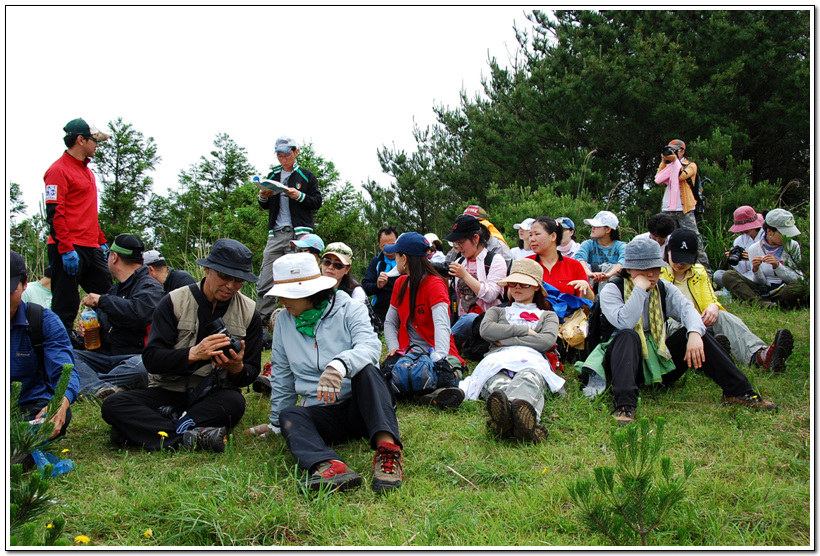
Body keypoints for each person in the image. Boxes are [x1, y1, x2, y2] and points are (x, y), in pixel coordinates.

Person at [578, 236, 778, 425]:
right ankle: (624, 404)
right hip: (622, 364)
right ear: (629, 269)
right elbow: (625, 322)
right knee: (628, 335)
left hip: (657, 358)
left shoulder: (663, 287)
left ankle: (738, 391)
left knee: (698, 333)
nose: (651, 274)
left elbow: (687, 309)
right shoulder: (612, 289)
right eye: (643, 269)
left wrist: (693, 334)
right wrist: (639, 290)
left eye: (655, 268)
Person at [247, 253, 403, 494]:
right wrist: (277, 423)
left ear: (308, 292)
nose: (281, 299)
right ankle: (329, 465)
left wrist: (339, 364)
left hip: (363, 407)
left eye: (287, 294)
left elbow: (370, 347)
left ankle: (387, 454)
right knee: (289, 415)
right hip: (322, 412)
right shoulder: (285, 323)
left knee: (368, 372)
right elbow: (282, 375)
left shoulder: (349, 308)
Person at [101, 239, 263, 452]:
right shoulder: (173, 301)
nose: (231, 286)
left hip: (214, 394)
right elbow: (152, 360)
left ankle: (156, 431)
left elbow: (250, 372)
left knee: (234, 403)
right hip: (168, 391)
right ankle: (189, 436)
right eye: (224, 277)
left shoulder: (250, 312)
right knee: (113, 405)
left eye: (239, 280)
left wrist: (236, 368)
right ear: (208, 269)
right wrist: (193, 354)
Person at [460, 258, 565, 443]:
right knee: (498, 385)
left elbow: (546, 340)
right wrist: (523, 330)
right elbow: (486, 331)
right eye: (512, 283)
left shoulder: (548, 315)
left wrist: (507, 339)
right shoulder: (497, 311)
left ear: (536, 288)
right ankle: (525, 426)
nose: (517, 287)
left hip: (532, 363)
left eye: (524, 284)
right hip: (497, 362)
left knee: (529, 379)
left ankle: (505, 422)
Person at [661, 228, 794, 372]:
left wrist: (713, 306)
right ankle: (711, 354)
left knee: (723, 316)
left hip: (700, 319)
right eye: (676, 257)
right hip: (673, 324)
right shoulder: (658, 273)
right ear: (667, 251)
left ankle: (760, 356)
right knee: (677, 324)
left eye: (685, 259)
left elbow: (709, 298)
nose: (680, 263)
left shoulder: (698, 271)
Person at [73, 234, 164, 399]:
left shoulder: (150, 286)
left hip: (133, 358)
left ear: (114, 257)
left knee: (142, 368)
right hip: (103, 357)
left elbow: (140, 314)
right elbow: (107, 324)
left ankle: (89, 384)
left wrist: (102, 300)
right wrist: (90, 328)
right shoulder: (114, 290)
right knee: (64, 356)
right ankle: (103, 387)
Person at [44, 118, 113, 334]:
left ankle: (109, 345)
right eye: (94, 140)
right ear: (81, 140)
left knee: (109, 298)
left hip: (90, 246)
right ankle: (60, 356)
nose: (97, 145)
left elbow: (88, 213)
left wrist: (101, 241)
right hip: (68, 247)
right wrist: (65, 247)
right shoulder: (57, 170)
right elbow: (55, 213)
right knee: (66, 306)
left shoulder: (88, 172)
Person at [382, 232, 465, 409]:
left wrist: (440, 359)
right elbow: (390, 322)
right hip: (408, 351)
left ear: (404, 258)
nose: (395, 259)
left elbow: (442, 325)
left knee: (445, 373)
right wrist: (394, 349)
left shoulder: (434, 284)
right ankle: (428, 391)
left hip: (437, 349)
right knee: (385, 372)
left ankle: (422, 390)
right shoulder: (400, 284)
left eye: (396, 255)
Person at [10, 251, 80, 439]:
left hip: (28, 405)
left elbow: (64, 370)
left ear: (25, 285)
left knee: (54, 417)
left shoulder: (42, 321)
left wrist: (61, 402)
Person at [256, 135, 323, 324]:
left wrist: (299, 195)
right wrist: (263, 196)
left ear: (295, 152)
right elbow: (264, 206)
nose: (283, 159)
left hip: (300, 233)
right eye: (279, 156)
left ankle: (303, 319)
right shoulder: (273, 175)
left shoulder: (306, 176)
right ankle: (263, 323)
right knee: (266, 279)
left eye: (286, 155)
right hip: (276, 233)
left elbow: (316, 202)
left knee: (300, 276)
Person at [722, 208, 807, 309]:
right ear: (770, 232)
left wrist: (777, 266)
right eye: (784, 233)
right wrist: (756, 270)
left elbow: (797, 278)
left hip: (784, 289)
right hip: (762, 289)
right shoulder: (755, 248)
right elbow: (760, 281)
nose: (788, 237)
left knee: (800, 286)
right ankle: (763, 303)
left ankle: (759, 302)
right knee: (728, 275)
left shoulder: (792, 245)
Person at [444, 215, 508, 348]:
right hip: (462, 321)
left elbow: (490, 295)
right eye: (456, 244)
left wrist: (465, 276)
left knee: (471, 319)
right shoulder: (459, 262)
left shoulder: (495, 261)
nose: (459, 248)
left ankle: (446, 343)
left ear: (476, 238)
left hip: (486, 322)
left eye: (461, 243)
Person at [654, 139, 710, 270]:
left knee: (694, 238)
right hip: (668, 208)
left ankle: (705, 271)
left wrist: (675, 161)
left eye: (675, 150)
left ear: (682, 151)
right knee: (667, 239)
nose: (672, 152)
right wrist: (664, 161)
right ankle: (666, 269)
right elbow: (658, 178)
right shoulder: (668, 166)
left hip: (684, 208)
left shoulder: (690, 165)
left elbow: (680, 177)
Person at [527, 217, 593, 301]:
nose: (532, 239)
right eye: (530, 235)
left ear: (553, 236)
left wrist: (586, 288)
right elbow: (512, 295)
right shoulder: (526, 264)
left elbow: (588, 302)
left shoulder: (574, 265)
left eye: (537, 234)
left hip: (568, 314)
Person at [713, 205, 765, 290]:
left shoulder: (765, 238)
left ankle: (741, 290)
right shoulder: (739, 241)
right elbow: (742, 270)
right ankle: (740, 288)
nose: (745, 230)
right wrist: (735, 258)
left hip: (762, 276)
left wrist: (752, 258)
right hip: (745, 276)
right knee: (718, 275)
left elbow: (771, 262)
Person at [362, 226, 400, 330]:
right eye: (384, 246)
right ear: (379, 245)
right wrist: (377, 285)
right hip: (382, 309)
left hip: (403, 307)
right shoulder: (376, 262)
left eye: (392, 245)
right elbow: (365, 287)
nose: (389, 249)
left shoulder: (405, 260)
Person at [574, 210, 626, 286]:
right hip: (591, 284)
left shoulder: (621, 246)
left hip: (613, 284)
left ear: (608, 229)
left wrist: (608, 275)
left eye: (597, 226)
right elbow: (579, 258)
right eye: (592, 226)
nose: (593, 228)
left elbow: (623, 261)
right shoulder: (588, 244)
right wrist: (590, 273)